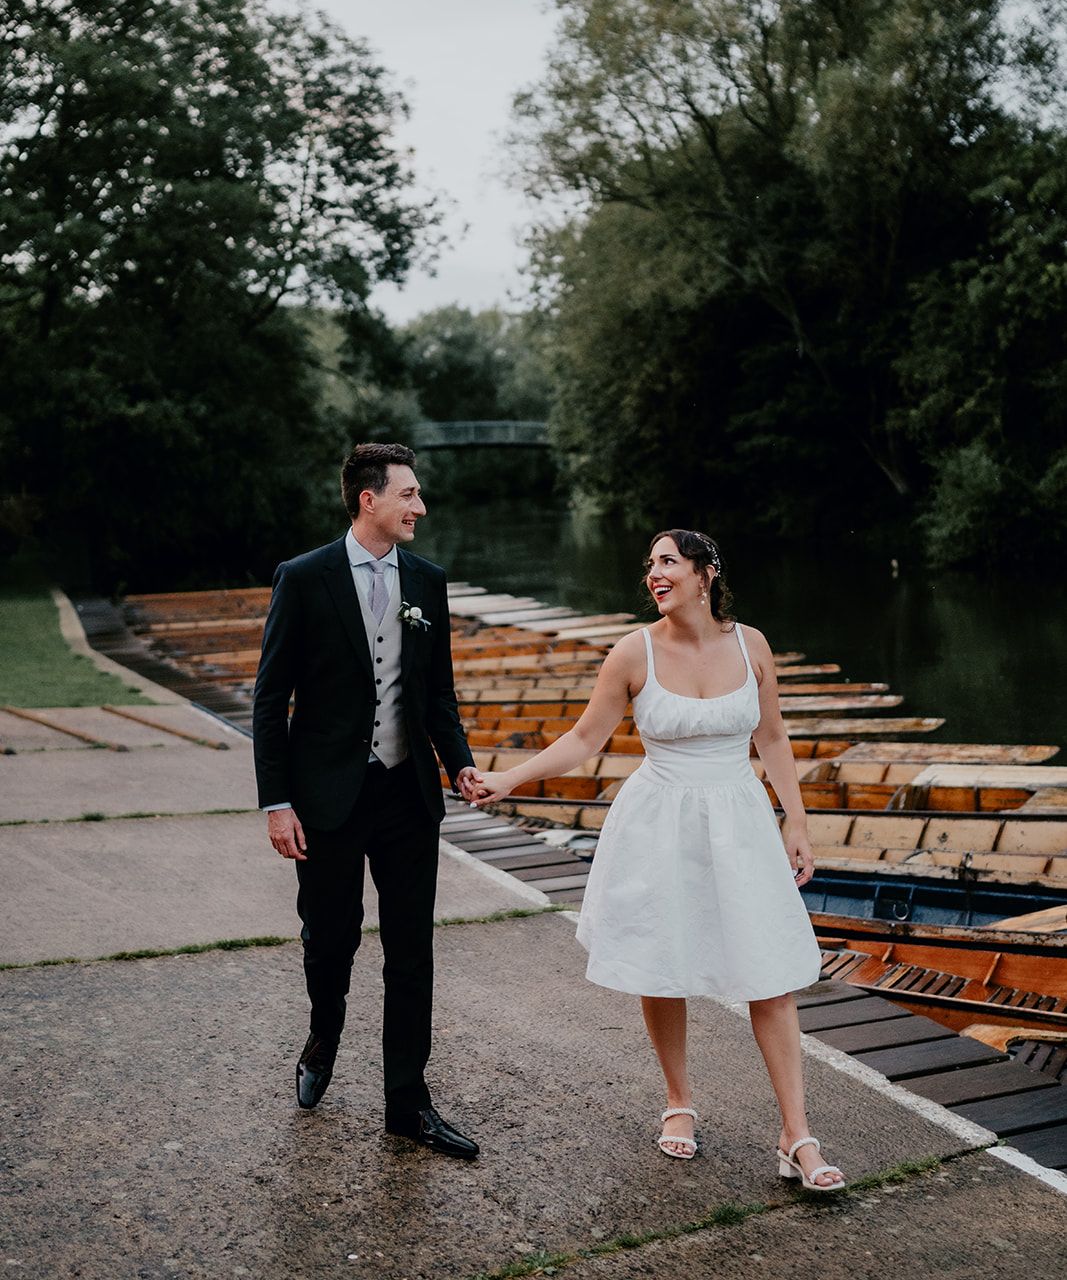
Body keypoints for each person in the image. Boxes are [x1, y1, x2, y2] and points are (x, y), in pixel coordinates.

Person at [472, 528, 845, 1190]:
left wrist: (796, 820)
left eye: (667, 561)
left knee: (770, 973)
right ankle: (678, 1102)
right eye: (649, 564)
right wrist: (507, 778)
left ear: (705, 574)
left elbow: (772, 735)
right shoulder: (631, 652)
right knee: (661, 961)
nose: (653, 573)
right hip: (658, 820)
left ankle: (796, 1136)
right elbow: (585, 738)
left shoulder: (750, 644)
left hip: (738, 819)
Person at [252, 441, 481, 1159]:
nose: (420, 506)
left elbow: (435, 694)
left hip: (407, 792)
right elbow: (269, 700)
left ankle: (406, 1106)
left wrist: (462, 766)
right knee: (331, 939)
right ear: (369, 500)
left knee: (411, 952)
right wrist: (276, 802)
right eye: (408, 494)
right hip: (325, 796)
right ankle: (323, 1036)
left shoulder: (427, 581)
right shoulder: (304, 577)